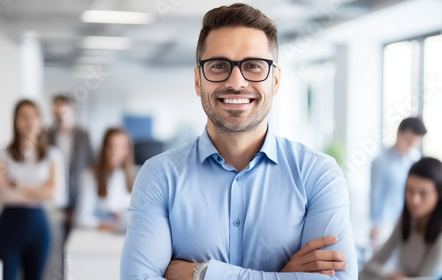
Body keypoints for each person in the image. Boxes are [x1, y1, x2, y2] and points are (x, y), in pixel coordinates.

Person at [120, 3, 357, 280]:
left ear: (275, 81)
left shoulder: (317, 175)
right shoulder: (159, 176)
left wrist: (203, 273)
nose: (236, 81)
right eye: (219, 66)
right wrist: (283, 276)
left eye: (254, 66)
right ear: (198, 81)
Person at [0, 99, 62, 280]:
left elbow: (53, 193)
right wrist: (38, 191)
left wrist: (15, 185)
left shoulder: (52, 155)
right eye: (24, 117)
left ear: (40, 120)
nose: (29, 122)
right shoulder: (2, 154)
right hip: (10, 225)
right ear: (15, 121)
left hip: (38, 226)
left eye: (34, 116)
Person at [360, 157, 442, 280]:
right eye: (410, 190)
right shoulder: (405, 219)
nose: (414, 200)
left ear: (439, 195)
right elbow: (367, 267)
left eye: (423, 193)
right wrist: (389, 276)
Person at [370, 117, 427, 247]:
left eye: (416, 142)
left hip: (410, 222)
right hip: (386, 224)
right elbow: (376, 194)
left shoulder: (415, 160)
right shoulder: (380, 162)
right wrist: (376, 223)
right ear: (399, 133)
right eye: (409, 140)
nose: (412, 145)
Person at [47, 94, 94, 235]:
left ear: (71, 109)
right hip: (55, 196)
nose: (59, 115)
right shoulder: (47, 135)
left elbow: (91, 164)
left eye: (62, 111)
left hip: (78, 194)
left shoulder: (83, 135)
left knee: (75, 238)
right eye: (56, 112)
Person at [75, 128, 135, 232]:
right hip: (96, 234)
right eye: (112, 146)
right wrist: (113, 226)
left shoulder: (132, 176)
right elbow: (81, 218)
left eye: (122, 147)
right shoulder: (89, 176)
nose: (116, 152)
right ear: (104, 149)